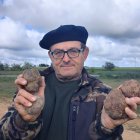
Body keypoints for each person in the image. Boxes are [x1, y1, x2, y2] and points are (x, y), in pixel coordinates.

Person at [0, 25, 140, 140]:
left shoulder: (104, 94)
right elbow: (4, 135)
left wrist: (107, 128)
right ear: (50, 56)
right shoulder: (31, 88)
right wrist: (24, 121)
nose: (66, 59)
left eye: (73, 51)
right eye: (58, 52)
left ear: (84, 53)